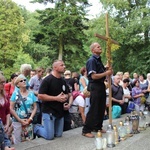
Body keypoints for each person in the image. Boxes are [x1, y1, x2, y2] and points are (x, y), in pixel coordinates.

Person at [82, 42, 113, 138]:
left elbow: (101, 72)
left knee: (101, 107)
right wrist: (106, 73)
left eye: (100, 46)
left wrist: (105, 69)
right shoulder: (91, 61)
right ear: (93, 50)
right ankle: (86, 130)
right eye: (97, 47)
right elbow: (94, 76)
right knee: (94, 107)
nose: (100, 47)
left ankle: (97, 126)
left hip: (101, 85)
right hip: (95, 85)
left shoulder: (98, 60)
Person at [34, 60, 70, 140]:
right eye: (62, 65)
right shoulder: (47, 80)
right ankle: (36, 128)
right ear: (55, 67)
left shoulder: (63, 81)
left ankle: (49, 129)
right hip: (49, 111)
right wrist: (56, 98)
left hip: (60, 111)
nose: (64, 66)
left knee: (58, 135)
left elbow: (67, 94)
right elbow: (40, 96)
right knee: (49, 136)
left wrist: (65, 100)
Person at [10, 76, 37, 144]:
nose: (24, 81)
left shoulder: (31, 94)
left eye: (25, 80)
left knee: (28, 141)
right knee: (18, 141)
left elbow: (35, 107)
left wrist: (30, 118)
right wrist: (19, 120)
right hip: (17, 121)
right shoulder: (15, 94)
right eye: (21, 81)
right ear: (17, 84)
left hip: (28, 121)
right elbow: (11, 108)